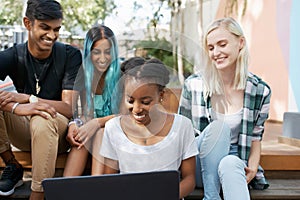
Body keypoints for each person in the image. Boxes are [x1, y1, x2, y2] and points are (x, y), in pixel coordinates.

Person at [178, 17, 271, 200]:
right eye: (211, 48)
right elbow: (183, 133)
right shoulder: (194, 85)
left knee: (230, 162)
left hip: (234, 164)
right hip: (198, 164)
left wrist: (252, 168)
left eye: (222, 44)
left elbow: (256, 137)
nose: (216, 52)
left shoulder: (260, 90)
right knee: (219, 128)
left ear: (240, 43)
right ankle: (211, 197)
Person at [0, 0, 82, 199]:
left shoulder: (70, 55)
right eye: (45, 27)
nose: (51, 36)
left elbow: (68, 108)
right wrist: (16, 108)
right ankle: (12, 164)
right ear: (28, 23)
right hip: (25, 130)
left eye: (56, 29)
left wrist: (30, 100)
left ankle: (38, 193)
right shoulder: (14, 55)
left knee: (42, 115)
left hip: (58, 131)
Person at [100, 57, 199, 199]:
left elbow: (189, 179)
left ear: (161, 95)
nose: (137, 109)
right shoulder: (113, 128)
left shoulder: (182, 126)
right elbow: (109, 181)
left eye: (145, 102)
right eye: (130, 100)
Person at [63, 25, 121, 176]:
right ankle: (65, 190)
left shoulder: (121, 75)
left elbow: (127, 115)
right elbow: (79, 114)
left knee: (102, 133)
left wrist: (97, 122)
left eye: (107, 52)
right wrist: (74, 124)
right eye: (96, 52)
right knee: (81, 137)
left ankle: (97, 189)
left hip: (116, 137)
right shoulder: (82, 76)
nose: (103, 58)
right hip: (90, 138)